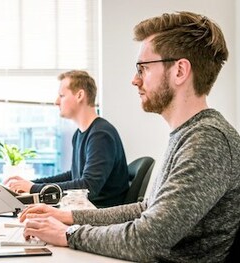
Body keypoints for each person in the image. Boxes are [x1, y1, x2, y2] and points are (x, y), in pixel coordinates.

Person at [18, 11, 240, 262]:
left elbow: (147, 239)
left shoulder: (208, 141)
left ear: (179, 71)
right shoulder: (188, 134)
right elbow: (146, 209)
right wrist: (68, 217)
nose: (134, 80)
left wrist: (69, 234)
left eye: (143, 68)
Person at [4, 70, 130, 208]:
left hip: (99, 215)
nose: (56, 102)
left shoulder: (101, 135)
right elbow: (74, 175)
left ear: (80, 95)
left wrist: (34, 188)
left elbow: (88, 187)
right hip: (85, 210)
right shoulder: (80, 134)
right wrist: (32, 184)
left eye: (62, 96)